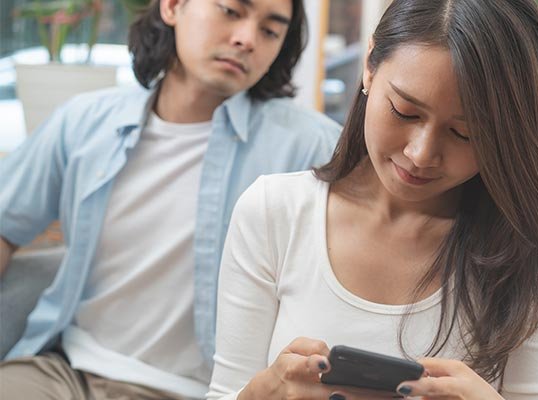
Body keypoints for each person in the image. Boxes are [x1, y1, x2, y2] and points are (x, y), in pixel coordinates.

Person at [207, 0, 538, 399]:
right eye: (404, 111)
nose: (421, 154)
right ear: (370, 65)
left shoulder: (532, 254)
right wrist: (266, 391)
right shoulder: (273, 211)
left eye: (465, 134)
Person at [0, 0, 340, 398]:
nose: (246, 39)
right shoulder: (85, 121)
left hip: (202, 390)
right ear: (173, 6)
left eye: (269, 31)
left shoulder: (313, 148)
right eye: (231, 11)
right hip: (63, 371)